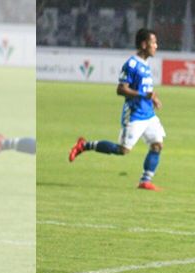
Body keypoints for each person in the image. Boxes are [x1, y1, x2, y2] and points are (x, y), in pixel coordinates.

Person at [68, 28, 165, 191]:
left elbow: (145, 89)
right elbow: (121, 89)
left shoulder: (146, 65)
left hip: (148, 114)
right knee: (123, 150)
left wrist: (153, 98)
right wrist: (144, 95)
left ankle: (145, 181)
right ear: (143, 44)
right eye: (153, 42)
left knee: (157, 145)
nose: (156, 45)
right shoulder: (131, 64)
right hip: (135, 114)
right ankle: (84, 145)